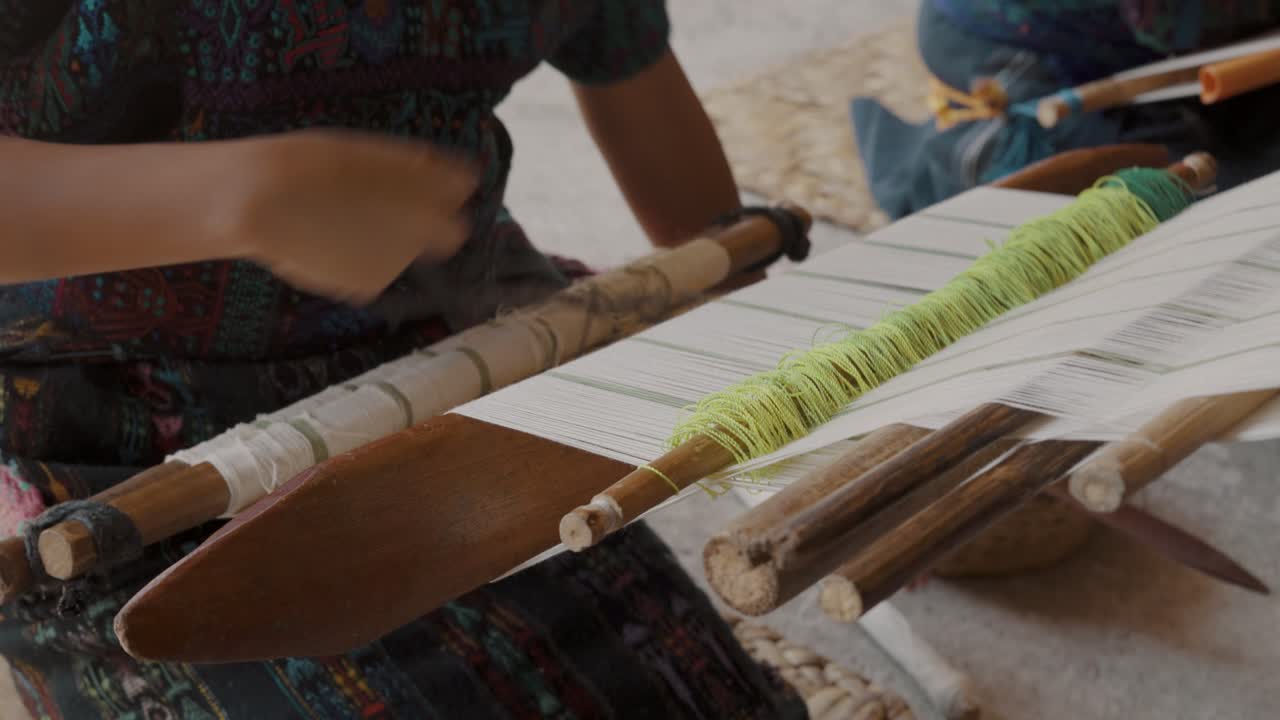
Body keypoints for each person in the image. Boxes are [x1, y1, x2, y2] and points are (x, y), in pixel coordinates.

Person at [0, 2, 808, 718]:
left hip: (455, 364)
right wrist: (236, 194)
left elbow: (644, 94)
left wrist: (764, 317)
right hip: (95, 424)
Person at [854, 0, 1280, 219]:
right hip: (1007, 45)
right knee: (1205, 191)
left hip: (1125, 36)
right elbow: (1169, 19)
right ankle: (969, 155)